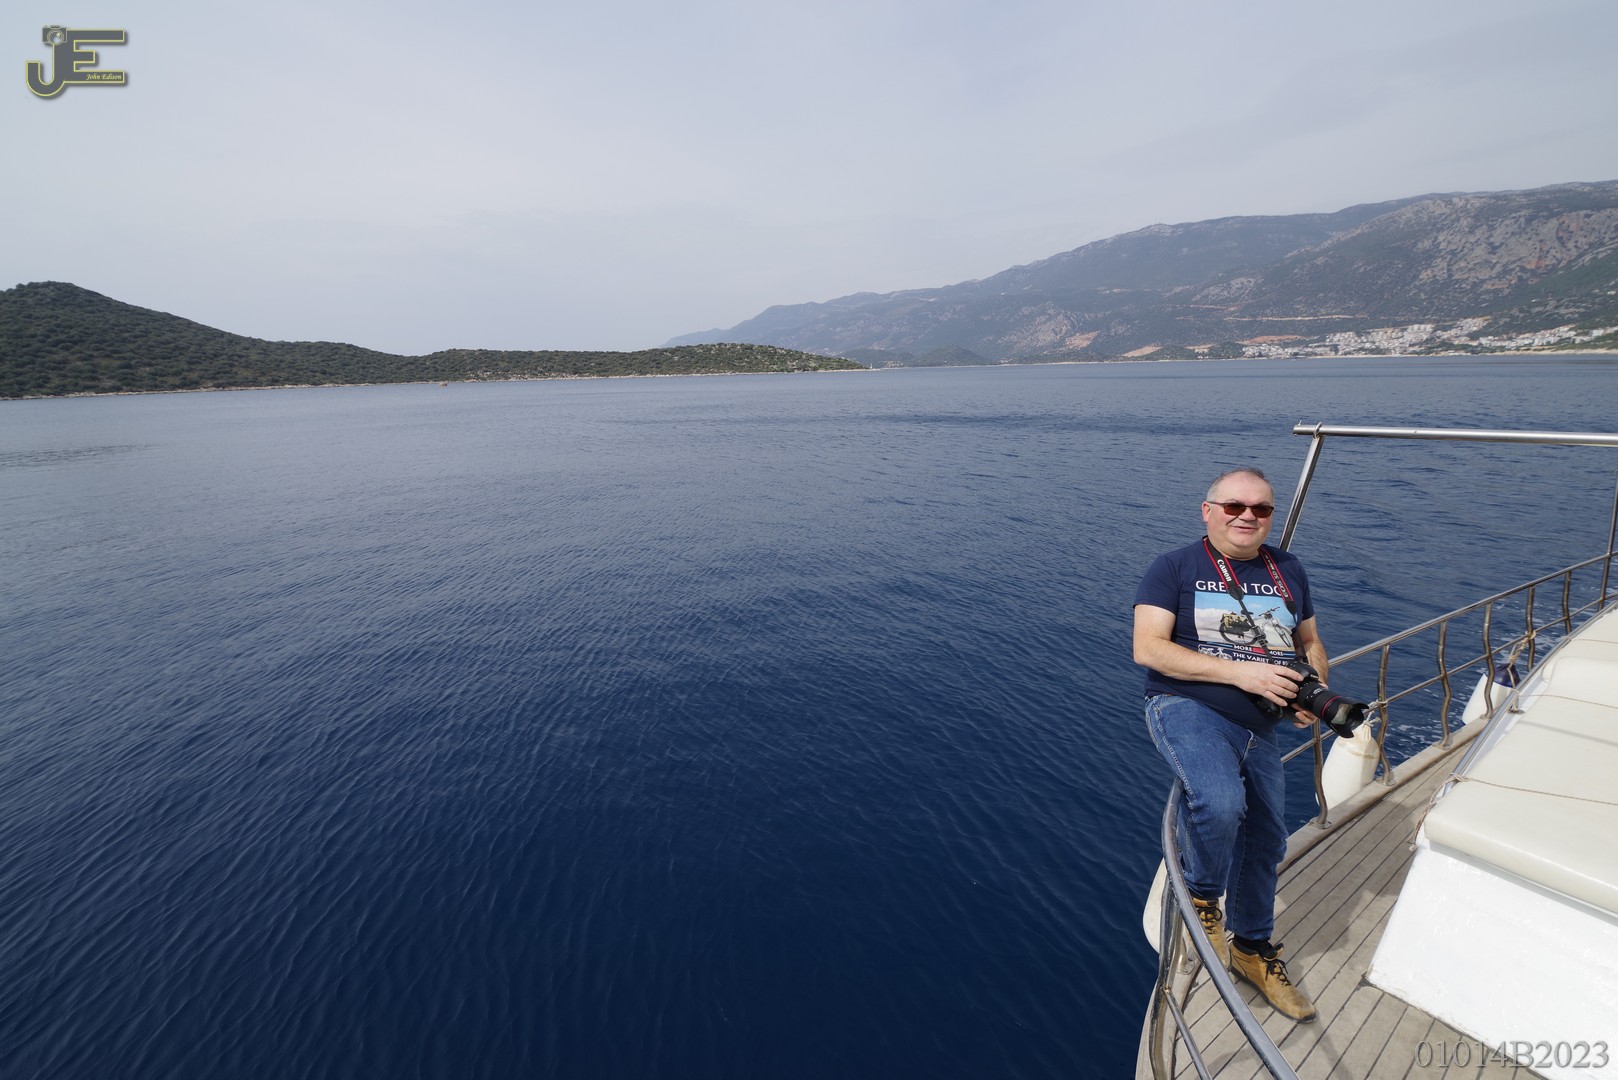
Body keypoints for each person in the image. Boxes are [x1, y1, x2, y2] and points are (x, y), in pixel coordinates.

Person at [1132, 467, 1324, 1023]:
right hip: (1187, 705)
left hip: (1260, 724)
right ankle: (1201, 900)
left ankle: (1252, 948)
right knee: (1219, 802)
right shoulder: (1174, 567)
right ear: (1208, 510)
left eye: (1260, 509)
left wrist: (1312, 691)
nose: (1247, 516)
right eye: (1234, 506)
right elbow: (1148, 649)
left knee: (1266, 840)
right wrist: (1243, 674)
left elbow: (1310, 641)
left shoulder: (1288, 569)